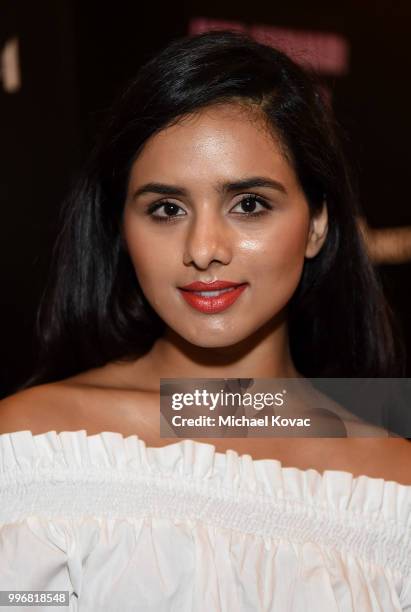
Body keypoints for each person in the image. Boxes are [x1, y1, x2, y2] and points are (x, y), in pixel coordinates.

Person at [0, 31, 410, 610]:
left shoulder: (394, 495)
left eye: (249, 204)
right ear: (123, 229)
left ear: (317, 223)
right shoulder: (35, 450)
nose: (203, 248)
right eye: (166, 209)